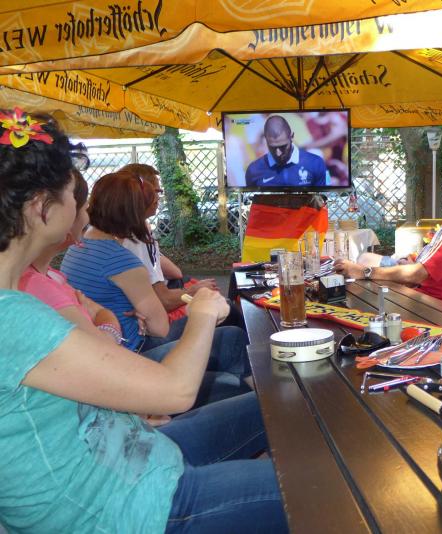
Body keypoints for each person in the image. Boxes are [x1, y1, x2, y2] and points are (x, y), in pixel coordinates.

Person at [0, 108, 287, 532]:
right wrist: (203, 311)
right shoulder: (12, 316)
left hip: (135, 458)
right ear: (42, 207)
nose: (81, 204)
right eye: (72, 192)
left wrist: (122, 408)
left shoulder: (18, 299)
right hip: (128, 510)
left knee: (277, 406)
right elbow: (176, 390)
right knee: (328, 485)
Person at [19, 170, 249, 410]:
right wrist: (199, 307)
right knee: (232, 347)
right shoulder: (121, 259)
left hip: (118, 354)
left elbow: (98, 312)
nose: (85, 211)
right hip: (134, 351)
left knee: (229, 338)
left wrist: (112, 316)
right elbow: (159, 328)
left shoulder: (77, 249)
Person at [335, 166, 442, 308]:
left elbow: (416, 275)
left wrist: (363, 272)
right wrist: (412, 260)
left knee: (357, 282)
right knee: (365, 259)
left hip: (432, 304)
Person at [117, 163, 220, 312]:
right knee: (225, 310)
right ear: (139, 194)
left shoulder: (121, 231)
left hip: (149, 306)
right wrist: (194, 291)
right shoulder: (136, 238)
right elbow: (164, 301)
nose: (158, 198)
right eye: (156, 192)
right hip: (156, 314)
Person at [245, 114, 329, 187]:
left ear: (291, 136)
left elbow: (325, 197)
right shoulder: (254, 170)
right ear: (266, 140)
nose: (278, 153)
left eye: (283, 146)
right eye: (273, 147)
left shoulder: (315, 163)